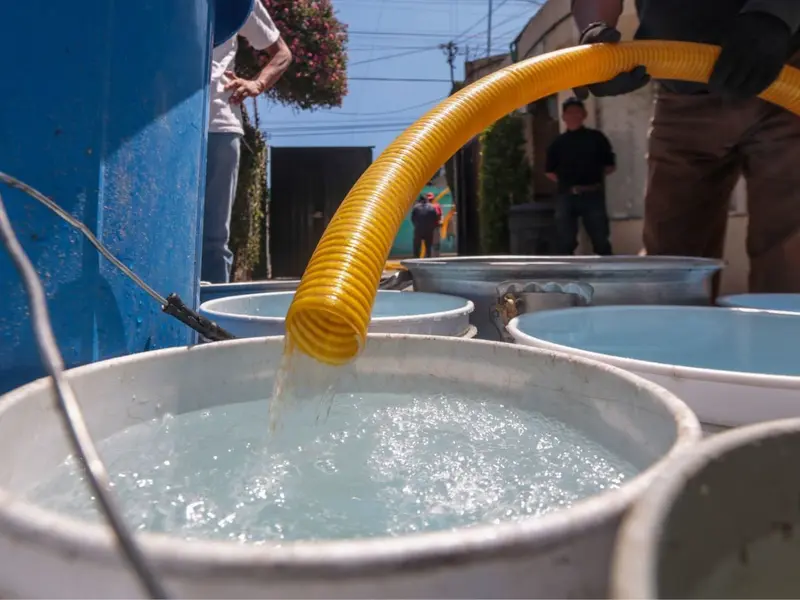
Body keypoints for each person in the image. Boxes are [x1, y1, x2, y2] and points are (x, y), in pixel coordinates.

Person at [571, 0, 800, 293]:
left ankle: (786, 336)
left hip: (784, 72)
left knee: (790, 257)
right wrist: (596, 37)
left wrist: (775, 14)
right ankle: (681, 334)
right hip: (682, 90)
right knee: (672, 265)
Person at [202, 1, 291, 283]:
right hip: (165, 122)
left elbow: (282, 53)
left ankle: (208, 322)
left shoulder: (238, 3)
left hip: (218, 125)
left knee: (213, 240)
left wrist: (257, 84)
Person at [545, 96, 616, 255]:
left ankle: (607, 274)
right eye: (569, 113)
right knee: (565, 241)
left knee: (600, 239)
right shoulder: (557, 143)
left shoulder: (597, 138)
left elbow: (610, 166)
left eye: (577, 112)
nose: (573, 116)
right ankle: (567, 276)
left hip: (593, 195)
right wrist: (568, 183)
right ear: (563, 117)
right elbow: (549, 171)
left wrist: (591, 178)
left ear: (584, 114)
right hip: (567, 196)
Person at [411, 193, 440, 258]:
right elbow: (435, 218)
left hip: (419, 229)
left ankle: (416, 258)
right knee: (428, 246)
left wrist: (417, 225)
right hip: (429, 230)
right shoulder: (432, 207)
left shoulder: (416, 207)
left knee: (417, 246)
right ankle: (428, 258)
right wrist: (432, 227)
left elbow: (413, 218)